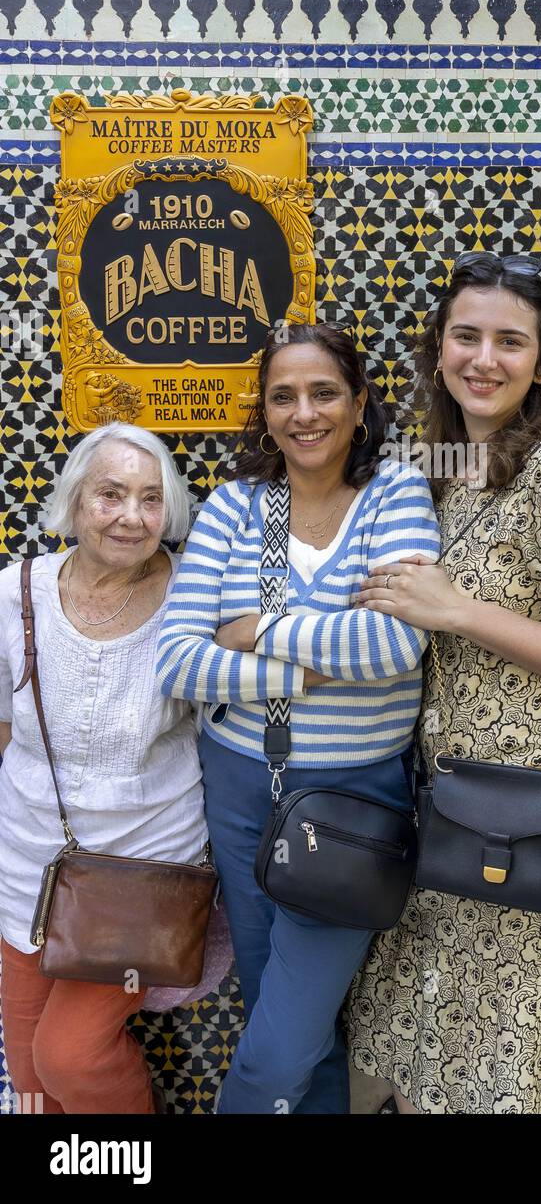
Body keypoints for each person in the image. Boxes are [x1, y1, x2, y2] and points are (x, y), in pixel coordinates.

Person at [346, 253, 541, 1114]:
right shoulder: (437, 469)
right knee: (439, 1036)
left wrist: (460, 611)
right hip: (446, 804)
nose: (484, 359)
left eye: (510, 342)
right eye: (466, 336)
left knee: (532, 1047)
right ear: (438, 347)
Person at [157, 323, 440, 1115]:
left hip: (353, 800)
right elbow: (178, 663)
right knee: (284, 1025)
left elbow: (396, 642)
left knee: (280, 1043)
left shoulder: (396, 492)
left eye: (323, 393)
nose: (303, 413)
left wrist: (253, 631)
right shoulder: (235, 506)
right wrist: (311, 662)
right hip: (241, 787)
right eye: (283, 396)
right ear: (265, 412)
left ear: (357, 404)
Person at [0, 422, 207, 1115]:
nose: (131, 516)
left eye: (151, 500)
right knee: (30, 1073)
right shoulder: (14, 593)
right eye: (111, 494)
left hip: (139, 876)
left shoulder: (192, 598)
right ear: (75, 500)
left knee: (71, 1055)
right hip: (29, 865)